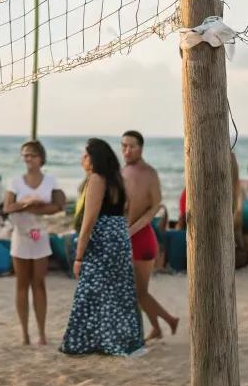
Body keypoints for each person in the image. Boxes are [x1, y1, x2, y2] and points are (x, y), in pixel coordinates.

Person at [61, 139, 145, 357]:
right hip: (118, 235)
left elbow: (88, 221)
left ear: (95, 159)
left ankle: (87, 342)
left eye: (85, 155)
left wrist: (78, 257)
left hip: (102, 238)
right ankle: (122, 340)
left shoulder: (97, 179)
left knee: (90, 289)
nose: (82, 159)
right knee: (118, 290)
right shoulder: (118, 179)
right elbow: (128, 211)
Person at [3, 140, 66, 347]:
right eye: (25, 155)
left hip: (39, 234)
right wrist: (25, 204)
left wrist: (36, 208)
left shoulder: (50, 181)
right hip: (20, 235)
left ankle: (41, 333)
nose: (28, 158)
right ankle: (24, 333)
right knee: (21, 284)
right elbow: (7, 207)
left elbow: (58, 206)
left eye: (31, 155)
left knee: (39, 284)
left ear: (41, 158)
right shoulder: (16, 182)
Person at [121, 131, 178, 342]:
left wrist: (131, 232)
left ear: (141, 148)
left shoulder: (150, 173)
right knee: (137, 293)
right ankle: (161, 325)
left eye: (132, 146)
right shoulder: (121, 171)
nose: (127, 151)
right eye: (123, 146)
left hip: (142, 238)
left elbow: (155, 208)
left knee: (139, 292)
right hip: (125, 237)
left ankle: (167, 322)